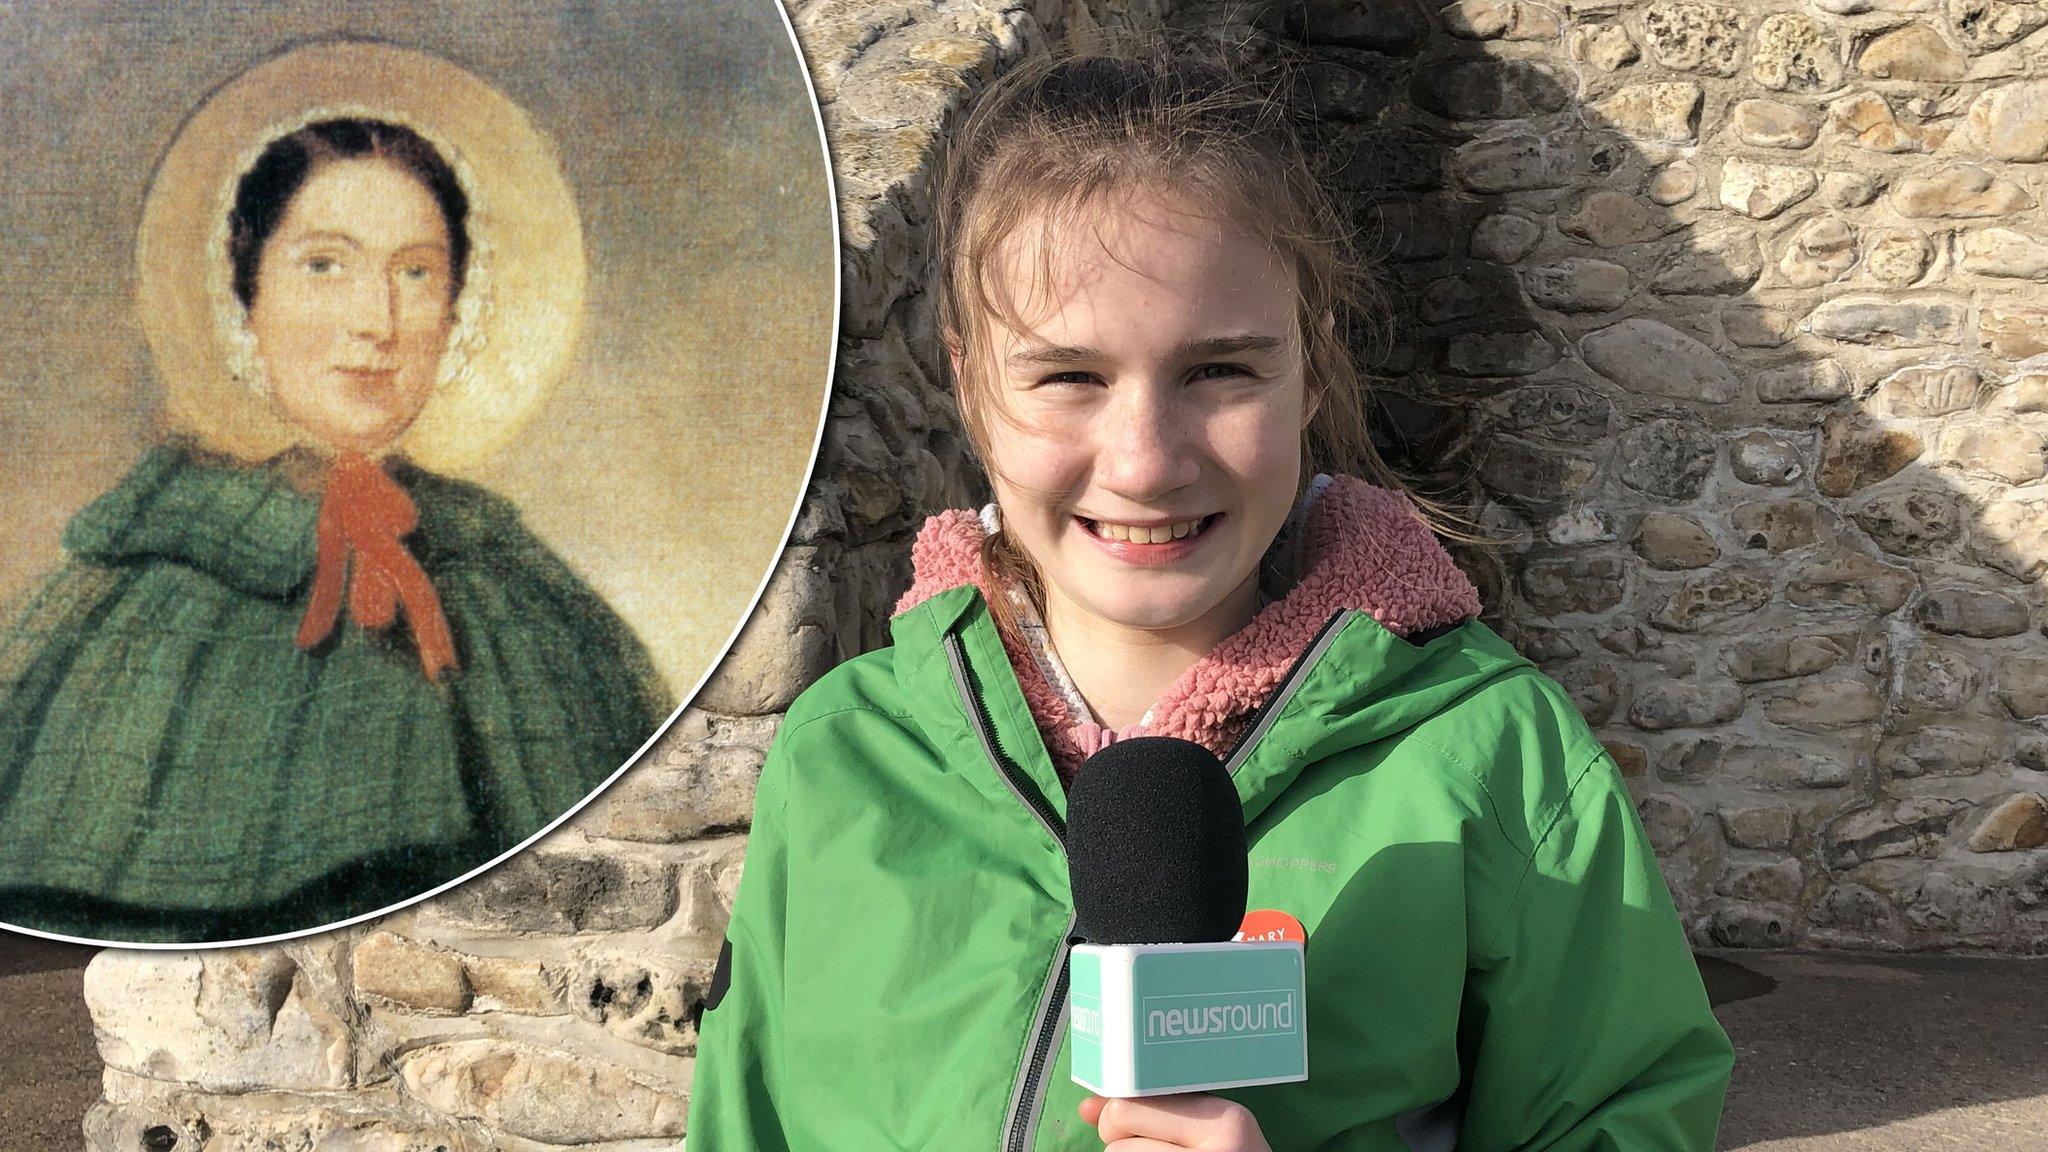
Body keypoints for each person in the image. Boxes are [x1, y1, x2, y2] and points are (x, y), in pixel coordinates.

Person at [687, 47, 1732, 1151]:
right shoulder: (841, 754)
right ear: (967, 380)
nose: (1144, 463)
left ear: (1309, 371)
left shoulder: (1496, 760)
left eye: (1219, 371)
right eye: (1068, 377)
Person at [0, 118, 673, 943]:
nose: (377, 322)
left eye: (416, 272)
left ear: (457, 305)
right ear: (247, 295)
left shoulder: (523, 593)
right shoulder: (124, 604)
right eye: (325, 265)